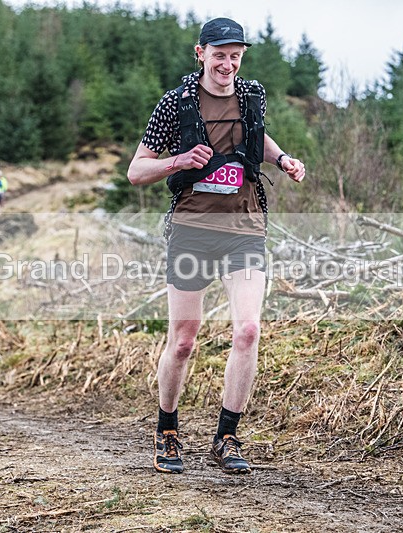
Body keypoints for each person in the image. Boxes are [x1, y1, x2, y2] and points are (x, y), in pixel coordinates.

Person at [127, 17, 305, 475]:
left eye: (235, 56)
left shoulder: (252, 95)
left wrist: (283, 159)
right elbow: (136, 170)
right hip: (192, 231)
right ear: (200, 53)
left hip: (244, 228)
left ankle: (226, 437)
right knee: (183, 341)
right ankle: (167, 430)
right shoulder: (176, 103)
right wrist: (180, 160)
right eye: (220, 55)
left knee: (248, 331)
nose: (228, 64)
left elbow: (256, 136)